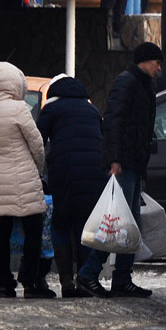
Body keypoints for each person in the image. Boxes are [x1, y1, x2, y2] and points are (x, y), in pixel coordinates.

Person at [75, 42, 164, 298]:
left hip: (134, 163)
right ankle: (89, 273)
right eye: (157, 62)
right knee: (117, 223)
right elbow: (113, 121)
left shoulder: (144, 85)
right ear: (145, 61)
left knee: (130, 223)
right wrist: (115, 160)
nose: (160, 68)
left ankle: (122, 279)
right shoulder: (127, 82)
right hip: (124, 163)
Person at [0, 61, 54, 298]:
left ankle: (4, 282)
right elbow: (37, 144)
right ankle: (30, 281)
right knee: (33, 229)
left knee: (1, 231)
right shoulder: (19, 109)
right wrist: (38, 169)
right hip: (25, 174)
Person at [37, 74, 106, 298]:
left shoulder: (52, 110)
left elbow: (38, 140)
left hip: (64, 172)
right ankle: (85, 278)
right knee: (84, 225)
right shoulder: (93, 111)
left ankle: (66, 281)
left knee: (60, 223)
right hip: (94, 173)